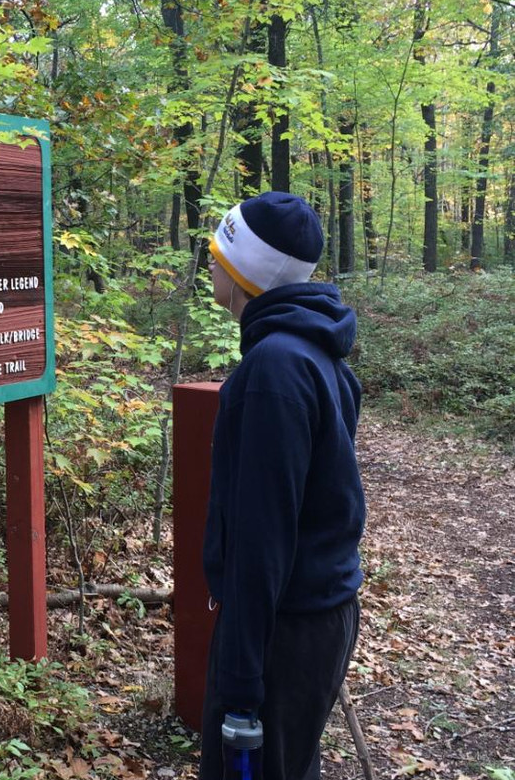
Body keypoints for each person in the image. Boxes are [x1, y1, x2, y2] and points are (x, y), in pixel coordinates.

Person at [199, 192, 366, 779]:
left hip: (283, 629)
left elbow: (262, 538)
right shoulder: (313, 352)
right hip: (312, 614)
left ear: (247, 269)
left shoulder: (274, 368)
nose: (210, 259)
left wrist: (242, 678)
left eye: (220, 248)